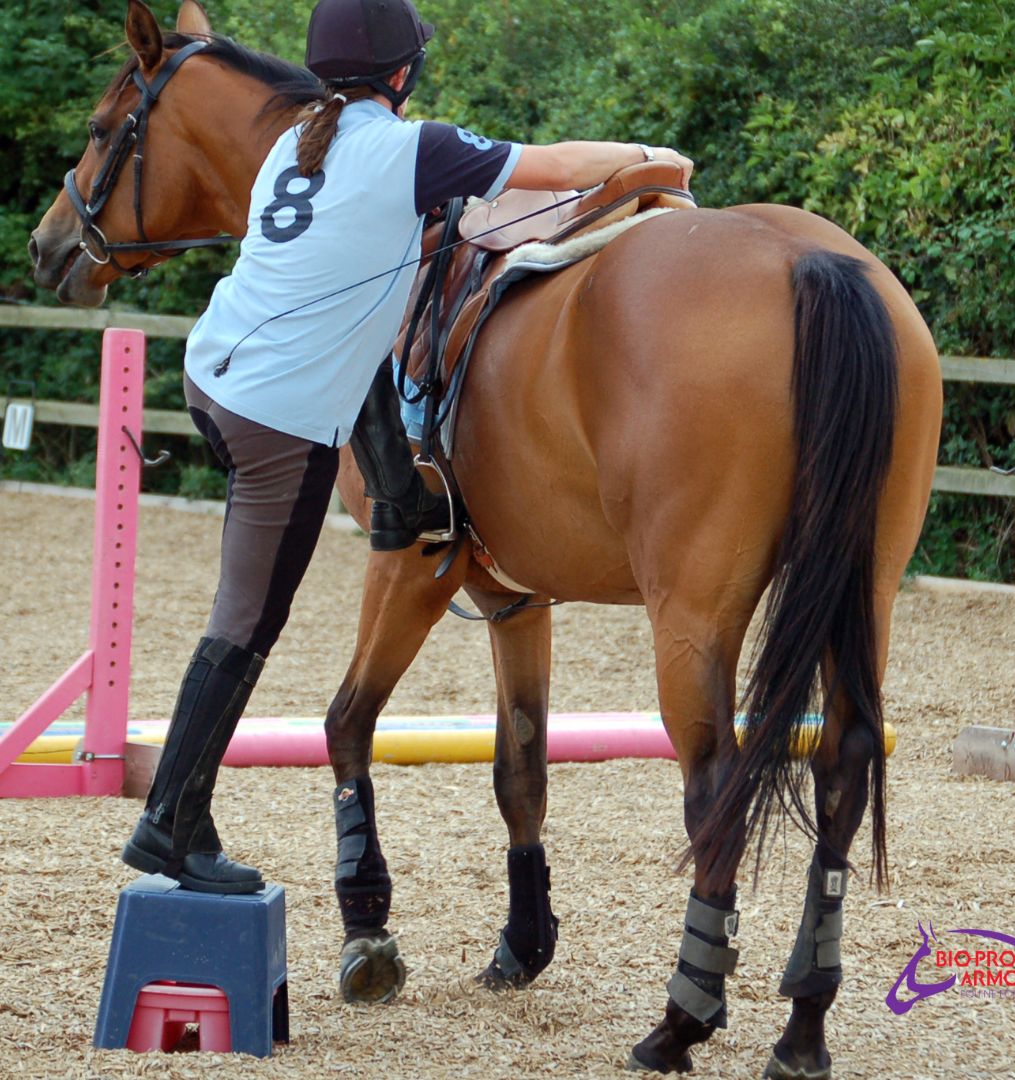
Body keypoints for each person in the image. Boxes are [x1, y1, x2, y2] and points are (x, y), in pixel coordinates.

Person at [121, 0, 695, 893]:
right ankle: (170, 826)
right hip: (278, 419)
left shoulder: (293, 144)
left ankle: (405, 493)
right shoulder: (408, 148)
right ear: (400, 73)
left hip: (216, 372)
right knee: (247, 621)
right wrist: (650, 161)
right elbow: (557, 168)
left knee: (365, 351)